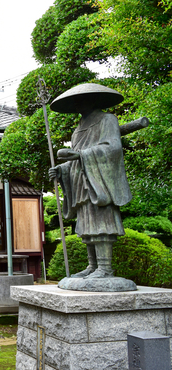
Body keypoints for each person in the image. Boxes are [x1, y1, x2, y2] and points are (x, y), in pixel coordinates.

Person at [48, 83, 131, 279]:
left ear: (93, 99)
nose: (77, 103)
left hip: (98, 180)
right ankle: (92, 266)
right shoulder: (77, 130)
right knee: (86, 223)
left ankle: (105, 268)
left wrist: (80, 155)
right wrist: (61, 170)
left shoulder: (107, 119)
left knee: (101, 222)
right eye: (75, 100)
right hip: (80, 180)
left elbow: (113, 148)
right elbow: (75, 159)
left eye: (81, 99)